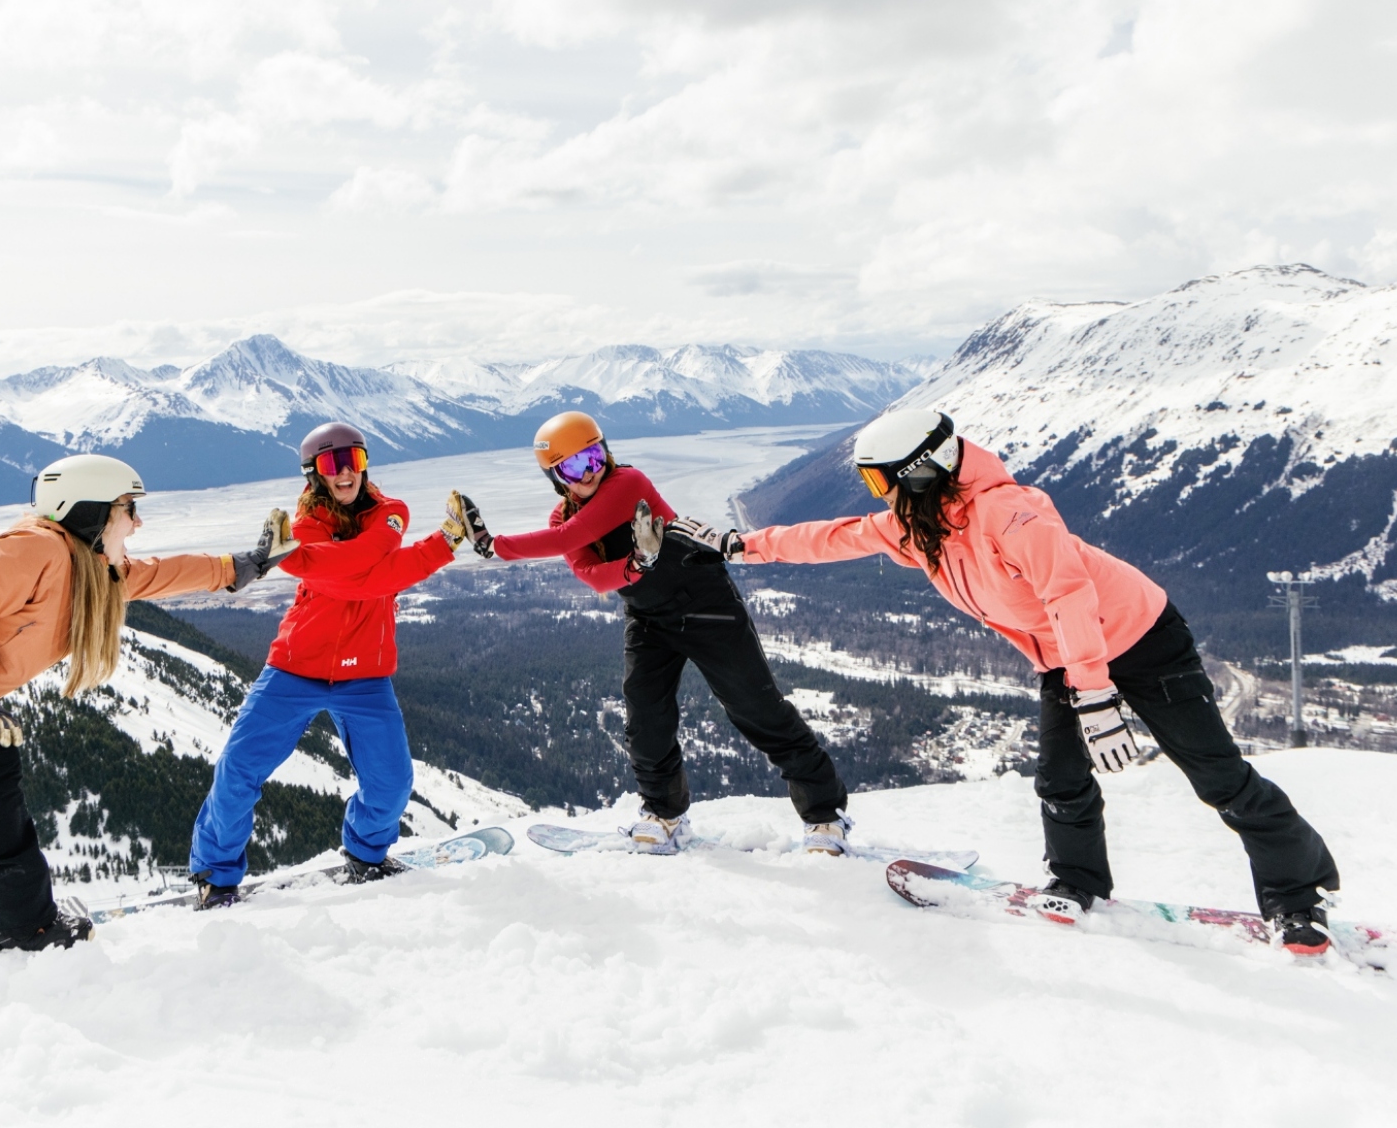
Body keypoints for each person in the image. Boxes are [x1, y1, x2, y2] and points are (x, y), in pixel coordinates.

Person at [695, 408, 1341, 953]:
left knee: (1216, 775)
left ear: (919, 470)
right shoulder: (918, 526)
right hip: (1064, 656)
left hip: (1141, 639)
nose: (876, 494)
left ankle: (1297, 895)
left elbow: (1069, 594)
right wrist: (740, 545)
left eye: (878, 481)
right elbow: (836, 538)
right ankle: (1077, 881)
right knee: (1061, 780)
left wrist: (1094, 694)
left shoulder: (1012, 515)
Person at [0, 454, 290, 966]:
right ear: (90, 511)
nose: (137, 521)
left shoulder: (89, 568)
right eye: (127, 508)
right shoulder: (36, 548)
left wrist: (243, 566)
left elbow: (156, 575)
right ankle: (21, 927)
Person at [474, 410, 852, 854]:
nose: (591, 471)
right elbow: (595, 577)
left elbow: (574, 536)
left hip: (705, 605)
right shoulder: (561, 516)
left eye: (595, 456)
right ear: (556, 477)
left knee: (758, 709)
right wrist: (634, 568)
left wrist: (494, 545)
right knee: (645, 718)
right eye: (575, 466)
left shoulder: (627, 484)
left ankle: (825, 816)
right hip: (649, 617)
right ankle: (664, 814)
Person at [187, 422, 474, 907]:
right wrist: (440, 546)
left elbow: (363, 566)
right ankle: (216, 875)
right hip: (296, 666)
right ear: (314, 475)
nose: (345, 473)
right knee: (239, 769)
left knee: (392, 783)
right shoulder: (301, 529)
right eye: (330, 464)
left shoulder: (391, 513)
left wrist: (303, 561)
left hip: (365, 674)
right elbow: (363, 578)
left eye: (354, 461)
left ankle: (366, 853)